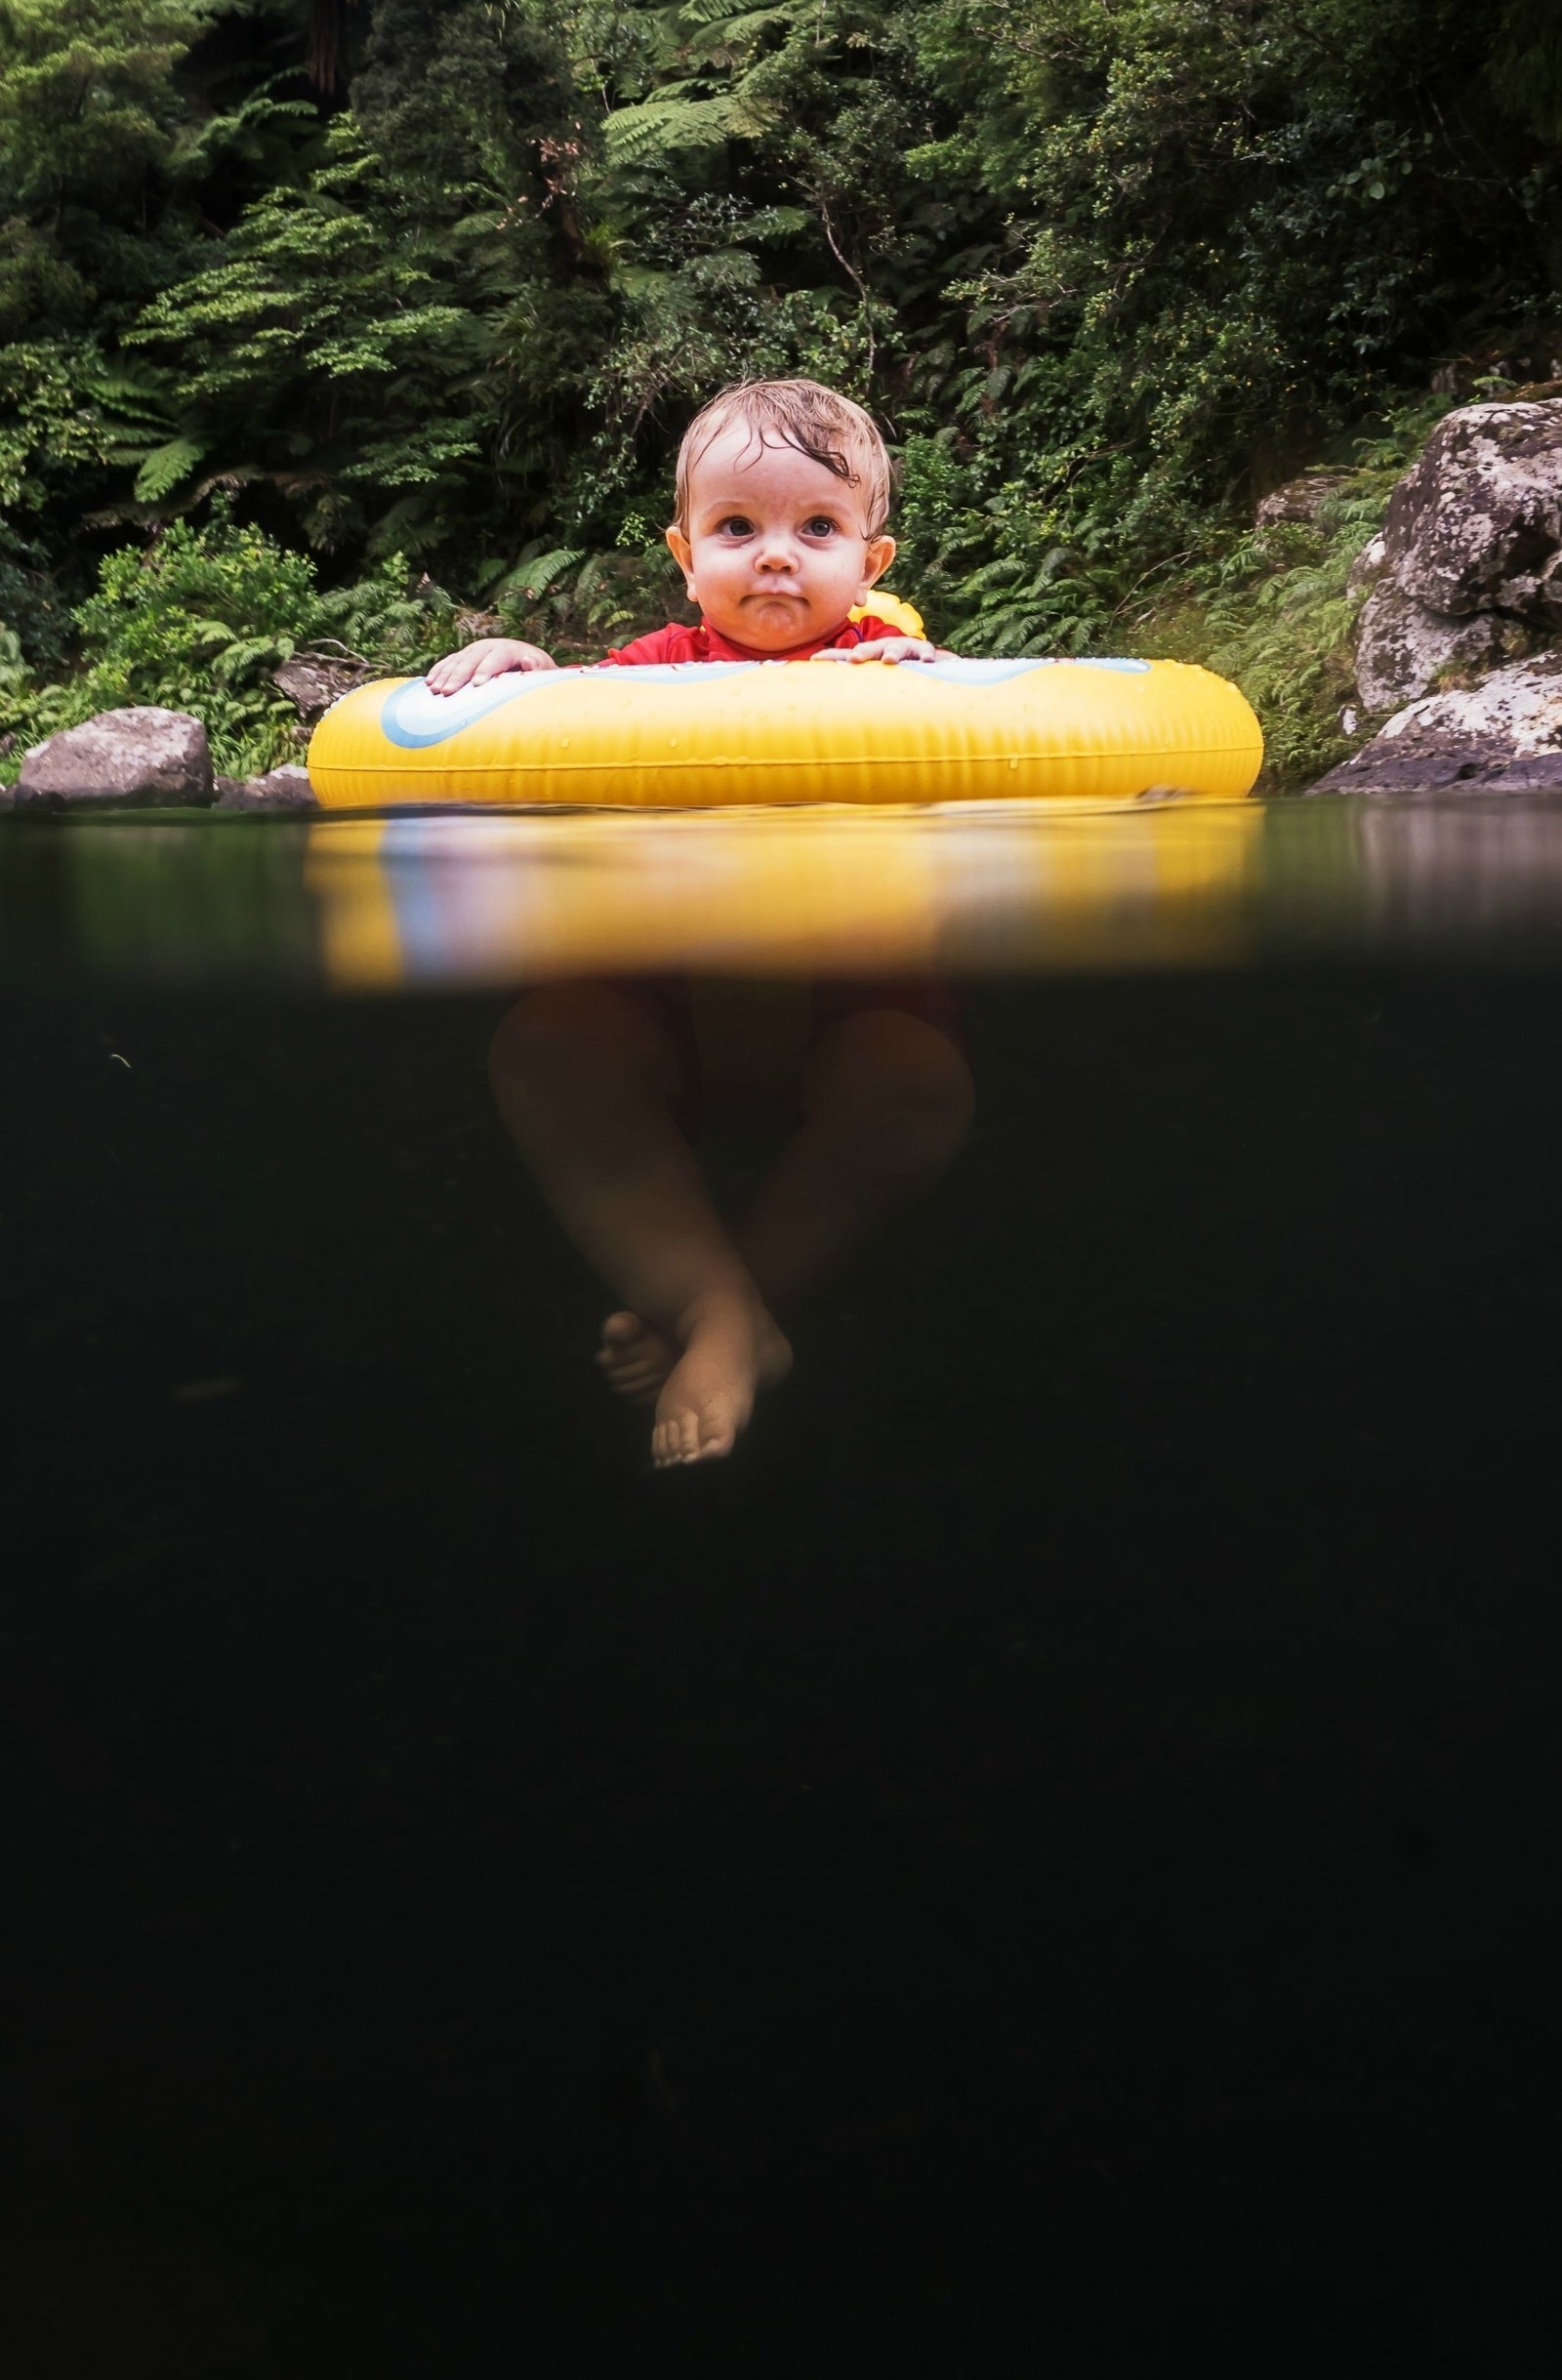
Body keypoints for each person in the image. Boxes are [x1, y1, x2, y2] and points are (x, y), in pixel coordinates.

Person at [430, 378, 975, 1467]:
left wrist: (938, 678)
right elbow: (564, 711)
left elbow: (1003, 726)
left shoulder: (892, 668)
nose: (775, 554)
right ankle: (726, 1312)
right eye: (737, 526)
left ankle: (723, 1312)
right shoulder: (653, 672)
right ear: (685, 556)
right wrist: (522, 674)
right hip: (661, 1006)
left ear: (872, 562)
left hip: (846, 1006)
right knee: (543, 1045)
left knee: (919, 1079)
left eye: (816, 527)